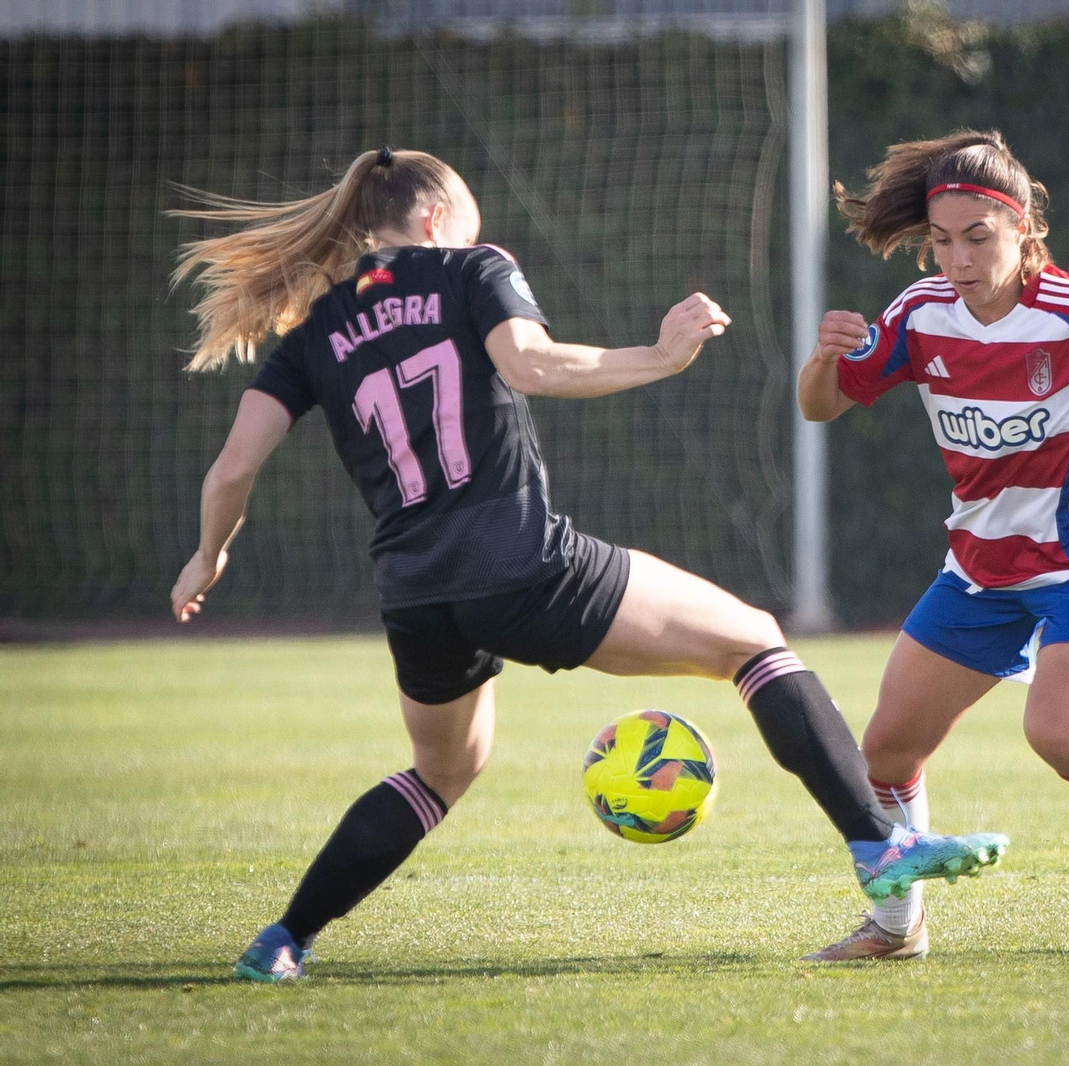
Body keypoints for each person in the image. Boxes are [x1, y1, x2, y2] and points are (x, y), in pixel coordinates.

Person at [167, 146, 1007, 982]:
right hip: (521, 563)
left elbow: (233, 468)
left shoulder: (314, 330)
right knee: (752, 640)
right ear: (433, 222)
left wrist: (209, 555)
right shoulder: (470, 268)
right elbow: (530, 365)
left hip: (416, 595)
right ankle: (878, 844)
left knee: (441, 772)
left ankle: (284, 940)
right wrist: (661, 355)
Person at [796, 130, 1069, 961]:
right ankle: (899, 927)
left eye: (978, 237)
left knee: (1061, 734)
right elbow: (822, 407)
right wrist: (823, 361)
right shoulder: (920, 314)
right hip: (981, 569)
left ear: (1025, 224)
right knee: (885, 754)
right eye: (942, 241)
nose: (957, 259)